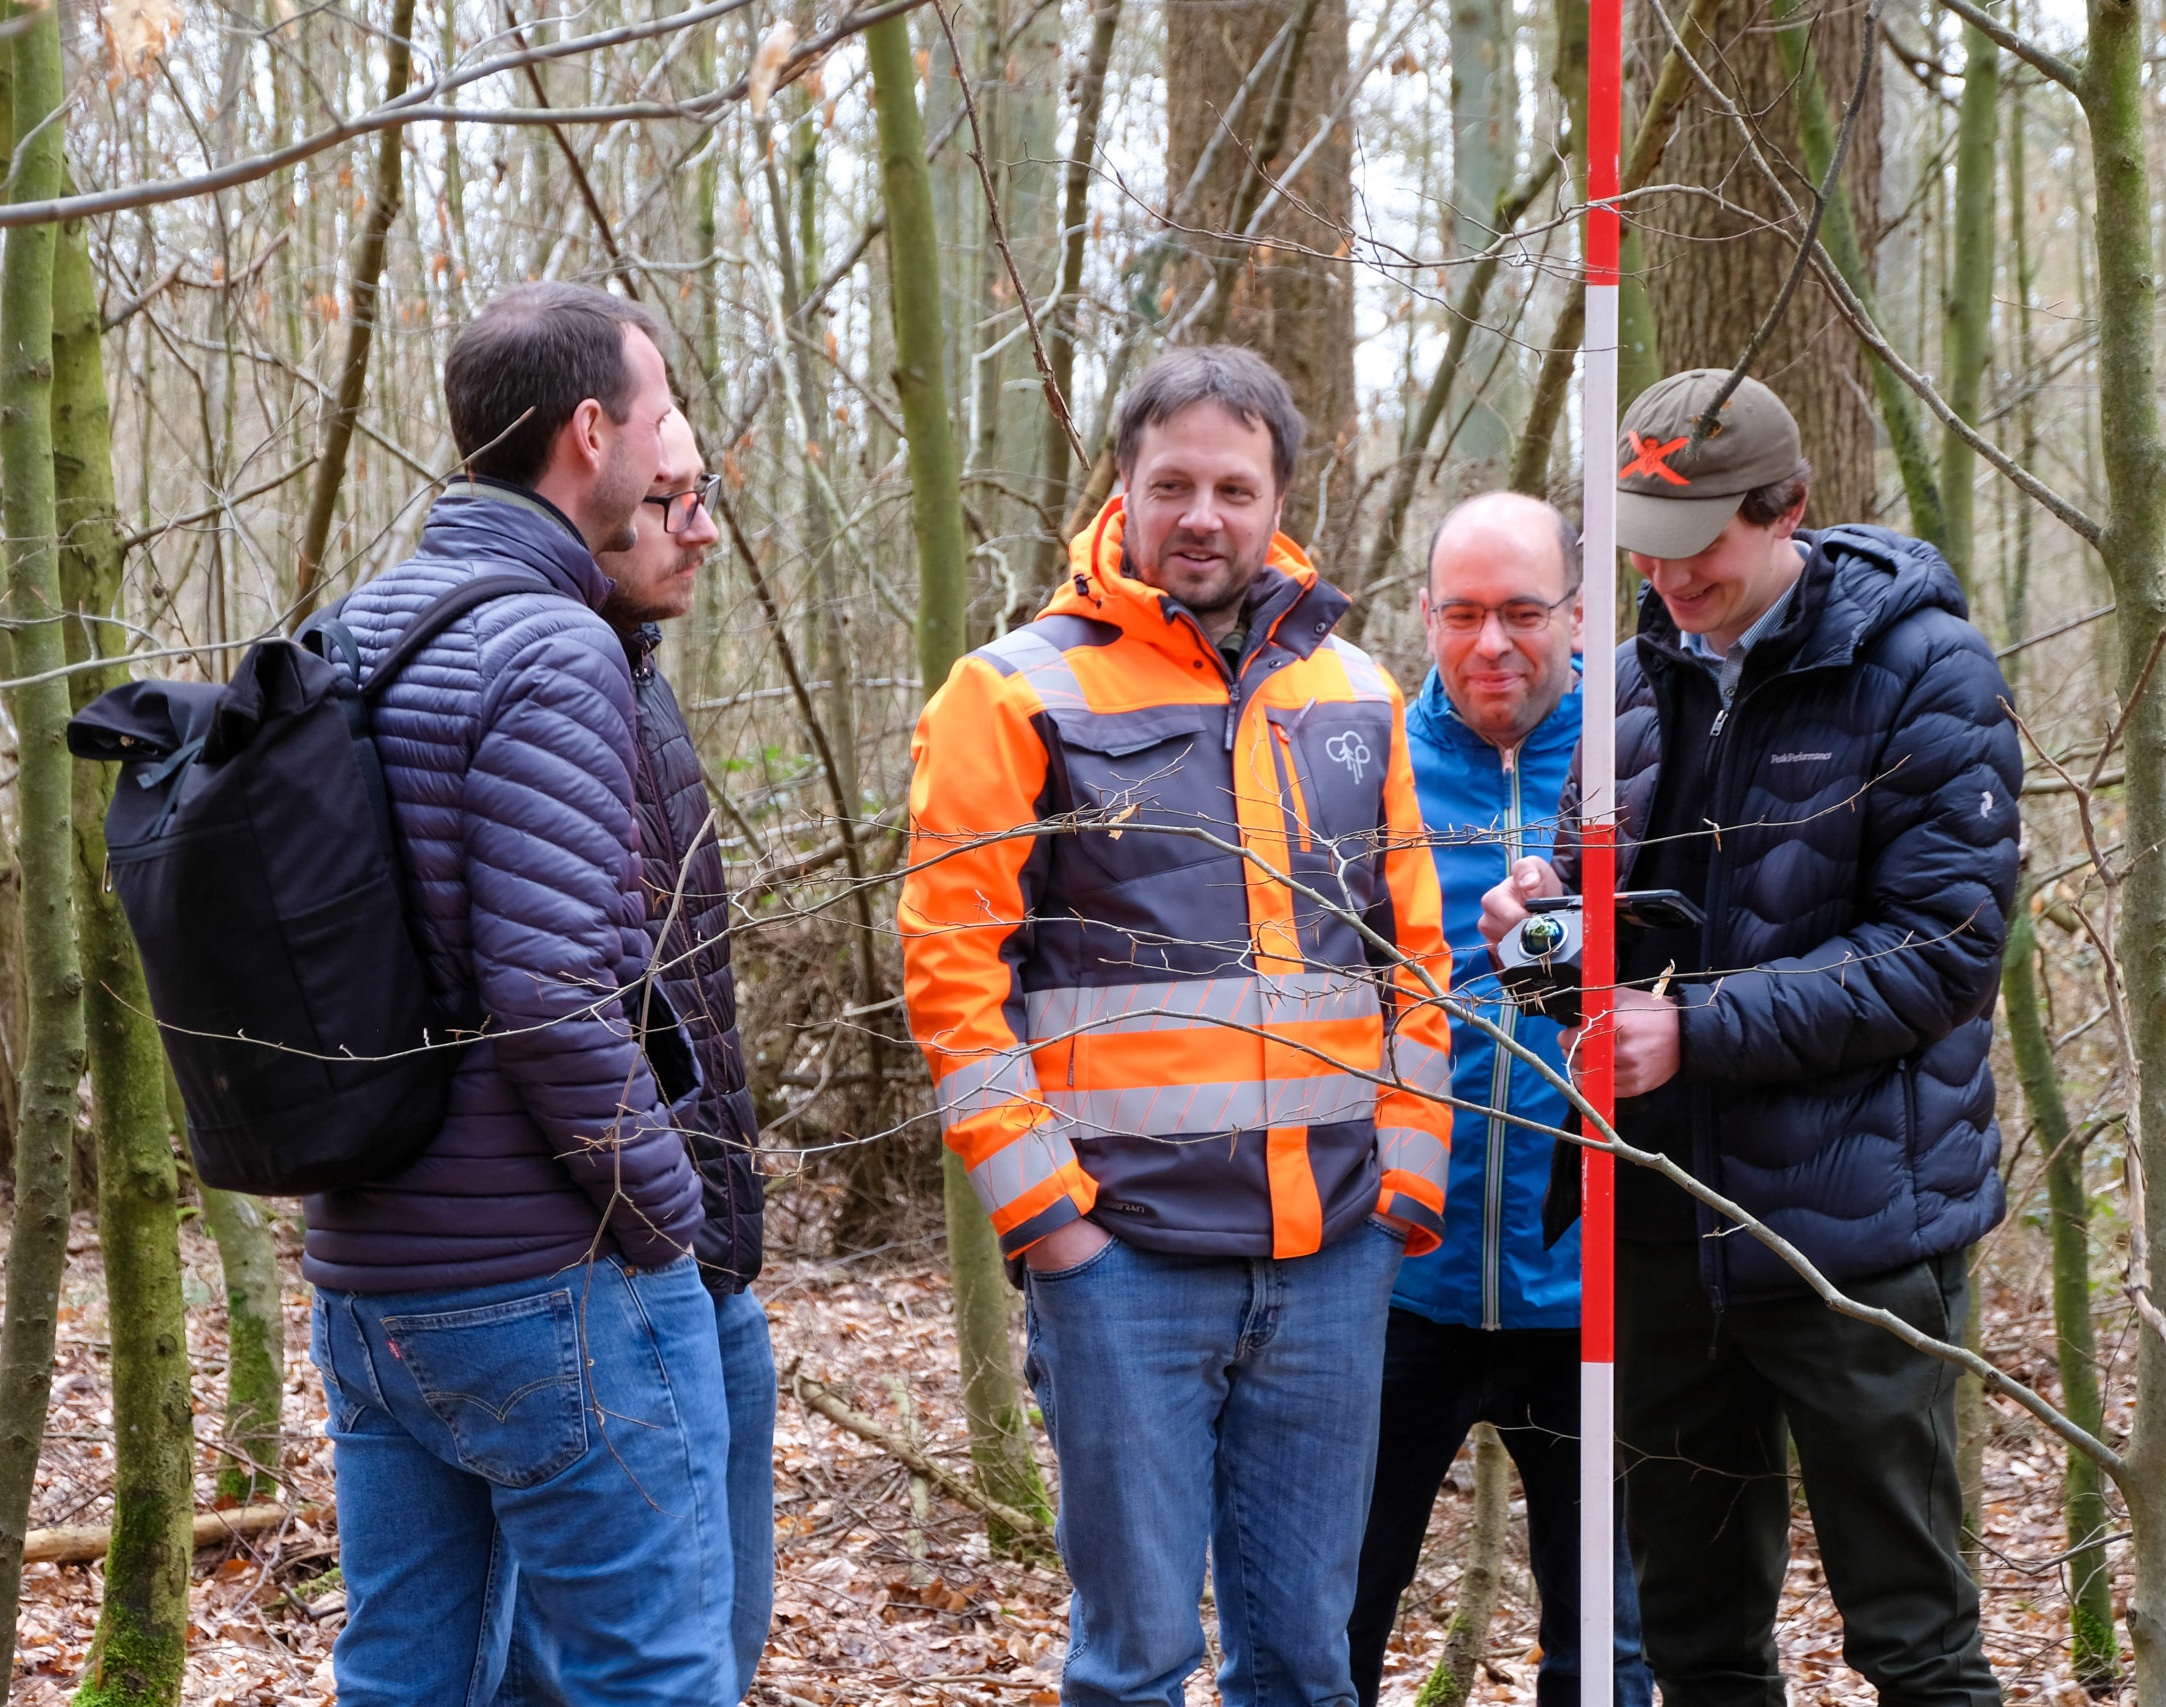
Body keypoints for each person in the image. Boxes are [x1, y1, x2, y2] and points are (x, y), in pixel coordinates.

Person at [899, 345, 1455, 1707]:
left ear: (1280, 500)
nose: (1201, 515)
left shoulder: (1357, 693)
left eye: (1233, 488)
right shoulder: (1012, 691)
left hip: (1332, 1256)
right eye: (1173, 485)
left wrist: (1406, 1188)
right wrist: (1050, 1221)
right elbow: (953, 970)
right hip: (1124, 1260)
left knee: (1306, 1666)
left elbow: (1413, 960)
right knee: (1135, 1664)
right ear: (1123, 487)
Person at [1481, 370, 2018, 1706]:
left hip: (1855, 1227)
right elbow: (1599, 974)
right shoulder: (1622, 686)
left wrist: (1697, 1028)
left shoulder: (1923, 670)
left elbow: (1942, 948)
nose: (1668, 577)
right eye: (1643, 546)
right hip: (1661, 1225)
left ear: (1788, 512)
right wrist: (1538, 942)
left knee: (1914, 1638)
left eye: (1698, 543)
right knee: (1697, 1643)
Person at [303, 282, 732, 1707]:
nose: (670, 458)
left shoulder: (358, 629)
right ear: (591, 431)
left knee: (402, 1677)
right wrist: (666, 1217)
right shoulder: (552, 646)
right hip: (546, 1277)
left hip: (370, 1285)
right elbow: (551, 988)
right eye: (660, 420)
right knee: (647, 1679)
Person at [1348, 492, 1653, 1707]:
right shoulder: (1366, 764)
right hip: (1395, 1280)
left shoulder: (1639, 757)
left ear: (1577, 615)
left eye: (1523, 613)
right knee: (1328, 1628)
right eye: (1463, 614)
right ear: (1425, 616)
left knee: (1606, 1655)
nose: (1492, 645)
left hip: (1591, 1288)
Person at [493, 408, 777, 1704]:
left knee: (719, 1648)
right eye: (671, 498)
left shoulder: (634, 673)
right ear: (587, 474)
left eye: (703, 493)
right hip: (604, 1286)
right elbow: (540, 998)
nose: (702, 528)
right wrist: (660, 1223)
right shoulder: (540, 681)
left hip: (702, 1268)